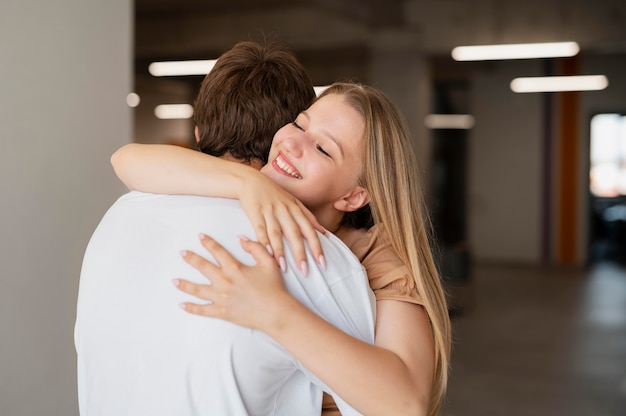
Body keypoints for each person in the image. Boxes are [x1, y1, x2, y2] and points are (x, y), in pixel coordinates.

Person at [112, 82, 452, 416]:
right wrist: (249, 182)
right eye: (299, 123)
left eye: (323, 149)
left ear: (353, 196)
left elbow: (407, 404)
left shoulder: (375, 253)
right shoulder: (247, 189)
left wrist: (273, 311)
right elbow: (126, 160)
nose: (291, 142)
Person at [75, 41, 376, 416]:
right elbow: (384, 400)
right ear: (279, 141)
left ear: (198, 135)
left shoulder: (117, 216)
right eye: (299, 125)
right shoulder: (309, 251)